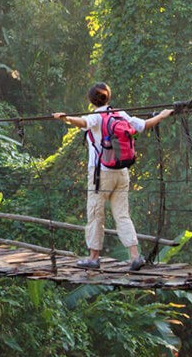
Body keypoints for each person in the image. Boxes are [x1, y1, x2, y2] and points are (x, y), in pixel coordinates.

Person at [53, 82, 173, 271]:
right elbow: (144, 125)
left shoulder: (96, 116)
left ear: (91, 100)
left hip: (101, 173)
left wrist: (65, 118)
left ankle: (93, 258)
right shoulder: (120, 114)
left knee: (95, 213)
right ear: (108, 97)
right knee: (122, 214)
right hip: (122, 172)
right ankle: (135, 256)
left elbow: (83, 123)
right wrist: (163, 115)